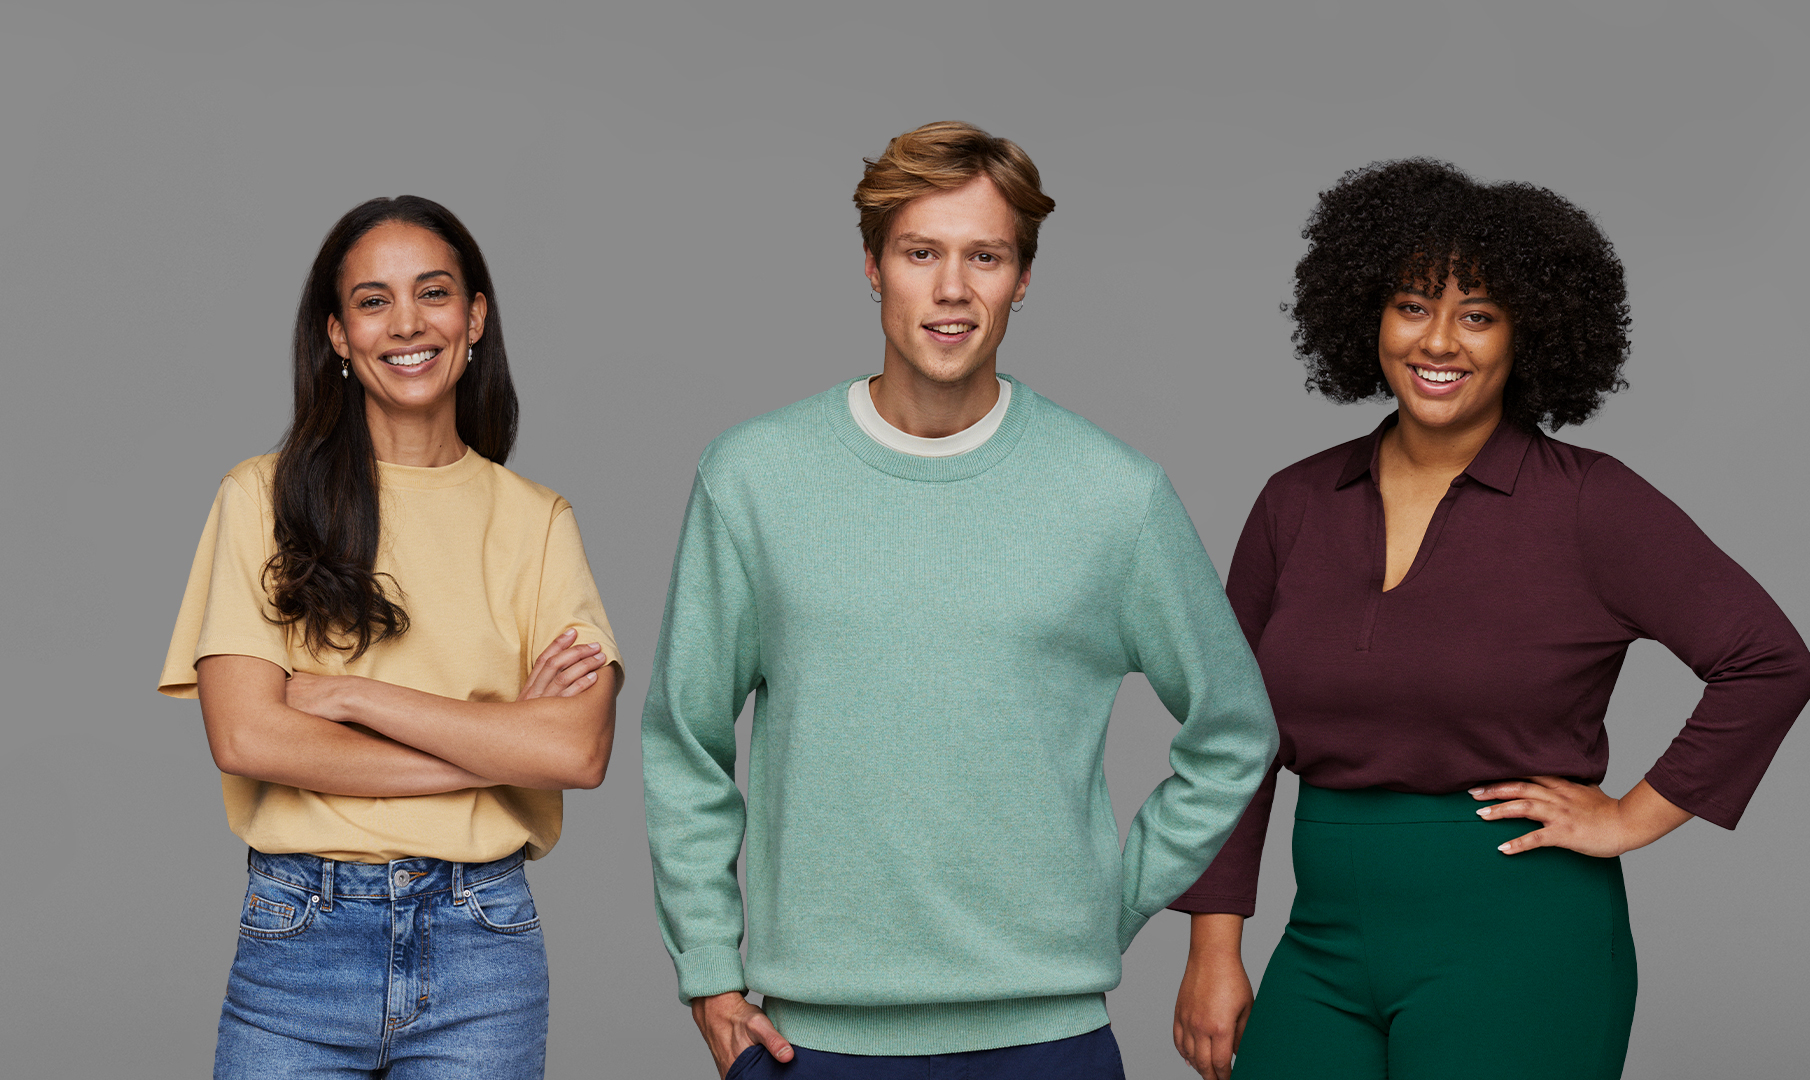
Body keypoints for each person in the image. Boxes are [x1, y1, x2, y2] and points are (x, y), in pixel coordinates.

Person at [641, 121, 1279, 1079]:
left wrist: (1110, 897)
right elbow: (682, 737)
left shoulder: (1113, 493)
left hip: (1046, 1039)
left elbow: (1235, 729)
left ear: (1022, 278)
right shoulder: (755, 477)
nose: (951, 289)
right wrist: (707, 967)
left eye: (984, 256)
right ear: (871, 265)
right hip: (813, 1039)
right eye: (920, 252)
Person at [1165, 158, 1810, 1080]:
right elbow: (1234, 736)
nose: (1439, 341)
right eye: (1412, 305)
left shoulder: (1589, 504)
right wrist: (1213, 947)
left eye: (1477, 314)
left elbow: (1769, 662)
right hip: (1323, 939)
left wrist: (1632, 815)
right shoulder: (1296, 502)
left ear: (1528, 337)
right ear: (1367, 316)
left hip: (1520, 936)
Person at [158, 195, 622, 1079]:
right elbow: (248, 735)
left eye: (434, 292)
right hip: (299, 937)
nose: (406, 323)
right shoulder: (260, 498)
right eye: (373, 301)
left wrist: (348, 695)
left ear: (475, 315)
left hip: (482, 941)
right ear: (336, 334)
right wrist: (497, 745)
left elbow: (577, 748)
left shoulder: (537, 523)